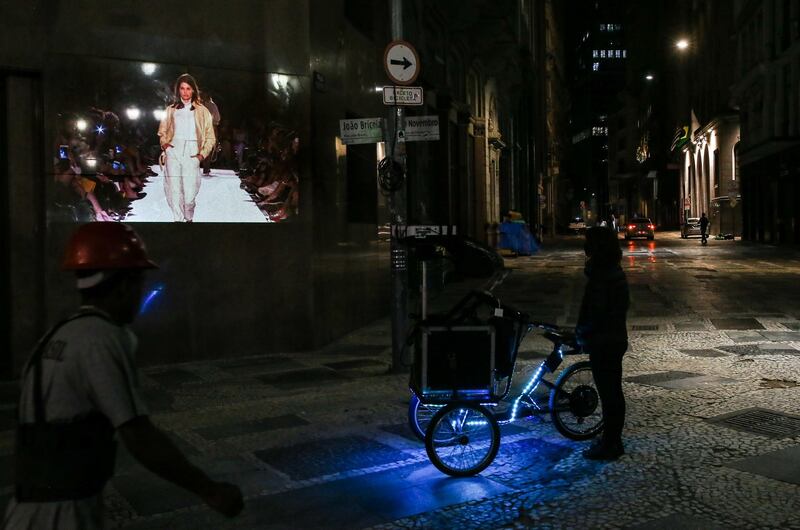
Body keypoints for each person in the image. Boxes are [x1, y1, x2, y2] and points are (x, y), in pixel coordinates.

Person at [4, 223, 243, 529]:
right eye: (139, 281)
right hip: (62, 516)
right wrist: (209, 490)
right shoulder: (101, 337)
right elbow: (138, 435)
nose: (141, 292)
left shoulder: (58, 334)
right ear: (124, 286)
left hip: (28, 511)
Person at [575, 226, 630, 460]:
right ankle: (611, 439)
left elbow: (597, 312)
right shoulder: (611, 271)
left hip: (605, 341)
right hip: (613, 339)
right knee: (612, 393)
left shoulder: (602, 275)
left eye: (588, 243)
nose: (585, 248)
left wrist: (581, 333)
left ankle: (611, 443)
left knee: (610, 395)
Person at [157, 74, 216, 222]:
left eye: (188, 89)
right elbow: (162, 132)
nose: (185, 92)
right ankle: (178, 220)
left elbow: (210, 137)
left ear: (193, 90)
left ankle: (189, 218)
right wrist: (166, 146)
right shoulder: (170, 110)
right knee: (174, 191)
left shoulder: (203, 111)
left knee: (189, 195)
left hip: (192, 154)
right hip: (173, 153)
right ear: (178, 90)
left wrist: (201, 155)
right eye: (182, 88)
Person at [200, 95, 221, 176]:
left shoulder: (210, 105)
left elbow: (217, 119)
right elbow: (217, 118)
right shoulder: (203, 104)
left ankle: (206, 167)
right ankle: (205, 167)